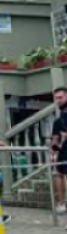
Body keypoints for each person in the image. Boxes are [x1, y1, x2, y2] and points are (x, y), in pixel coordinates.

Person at [50, 86, 67, 218]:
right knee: (59, 175)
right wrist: (53, 152)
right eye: (56, 98)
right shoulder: (58, 120)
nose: (58, 100)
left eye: (60, 97)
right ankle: (61, 203)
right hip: (62, 152)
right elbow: (54, 139)